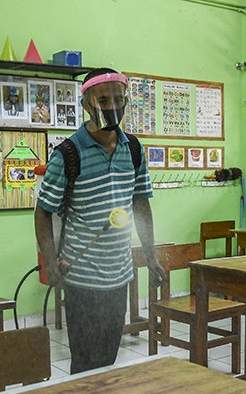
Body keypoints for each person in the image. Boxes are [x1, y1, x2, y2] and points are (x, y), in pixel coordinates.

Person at [35, 68, 165, 374]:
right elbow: (43, 212)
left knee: (108, 358)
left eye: (118, 99)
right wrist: (50, 262)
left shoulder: (132, 149)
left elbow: (141, 203)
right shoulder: (68, 154)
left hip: (119, 275)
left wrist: (151, 254)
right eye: (103, 99)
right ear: (86, 104)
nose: (111, 106)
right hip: (82, 278)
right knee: (85, 362)